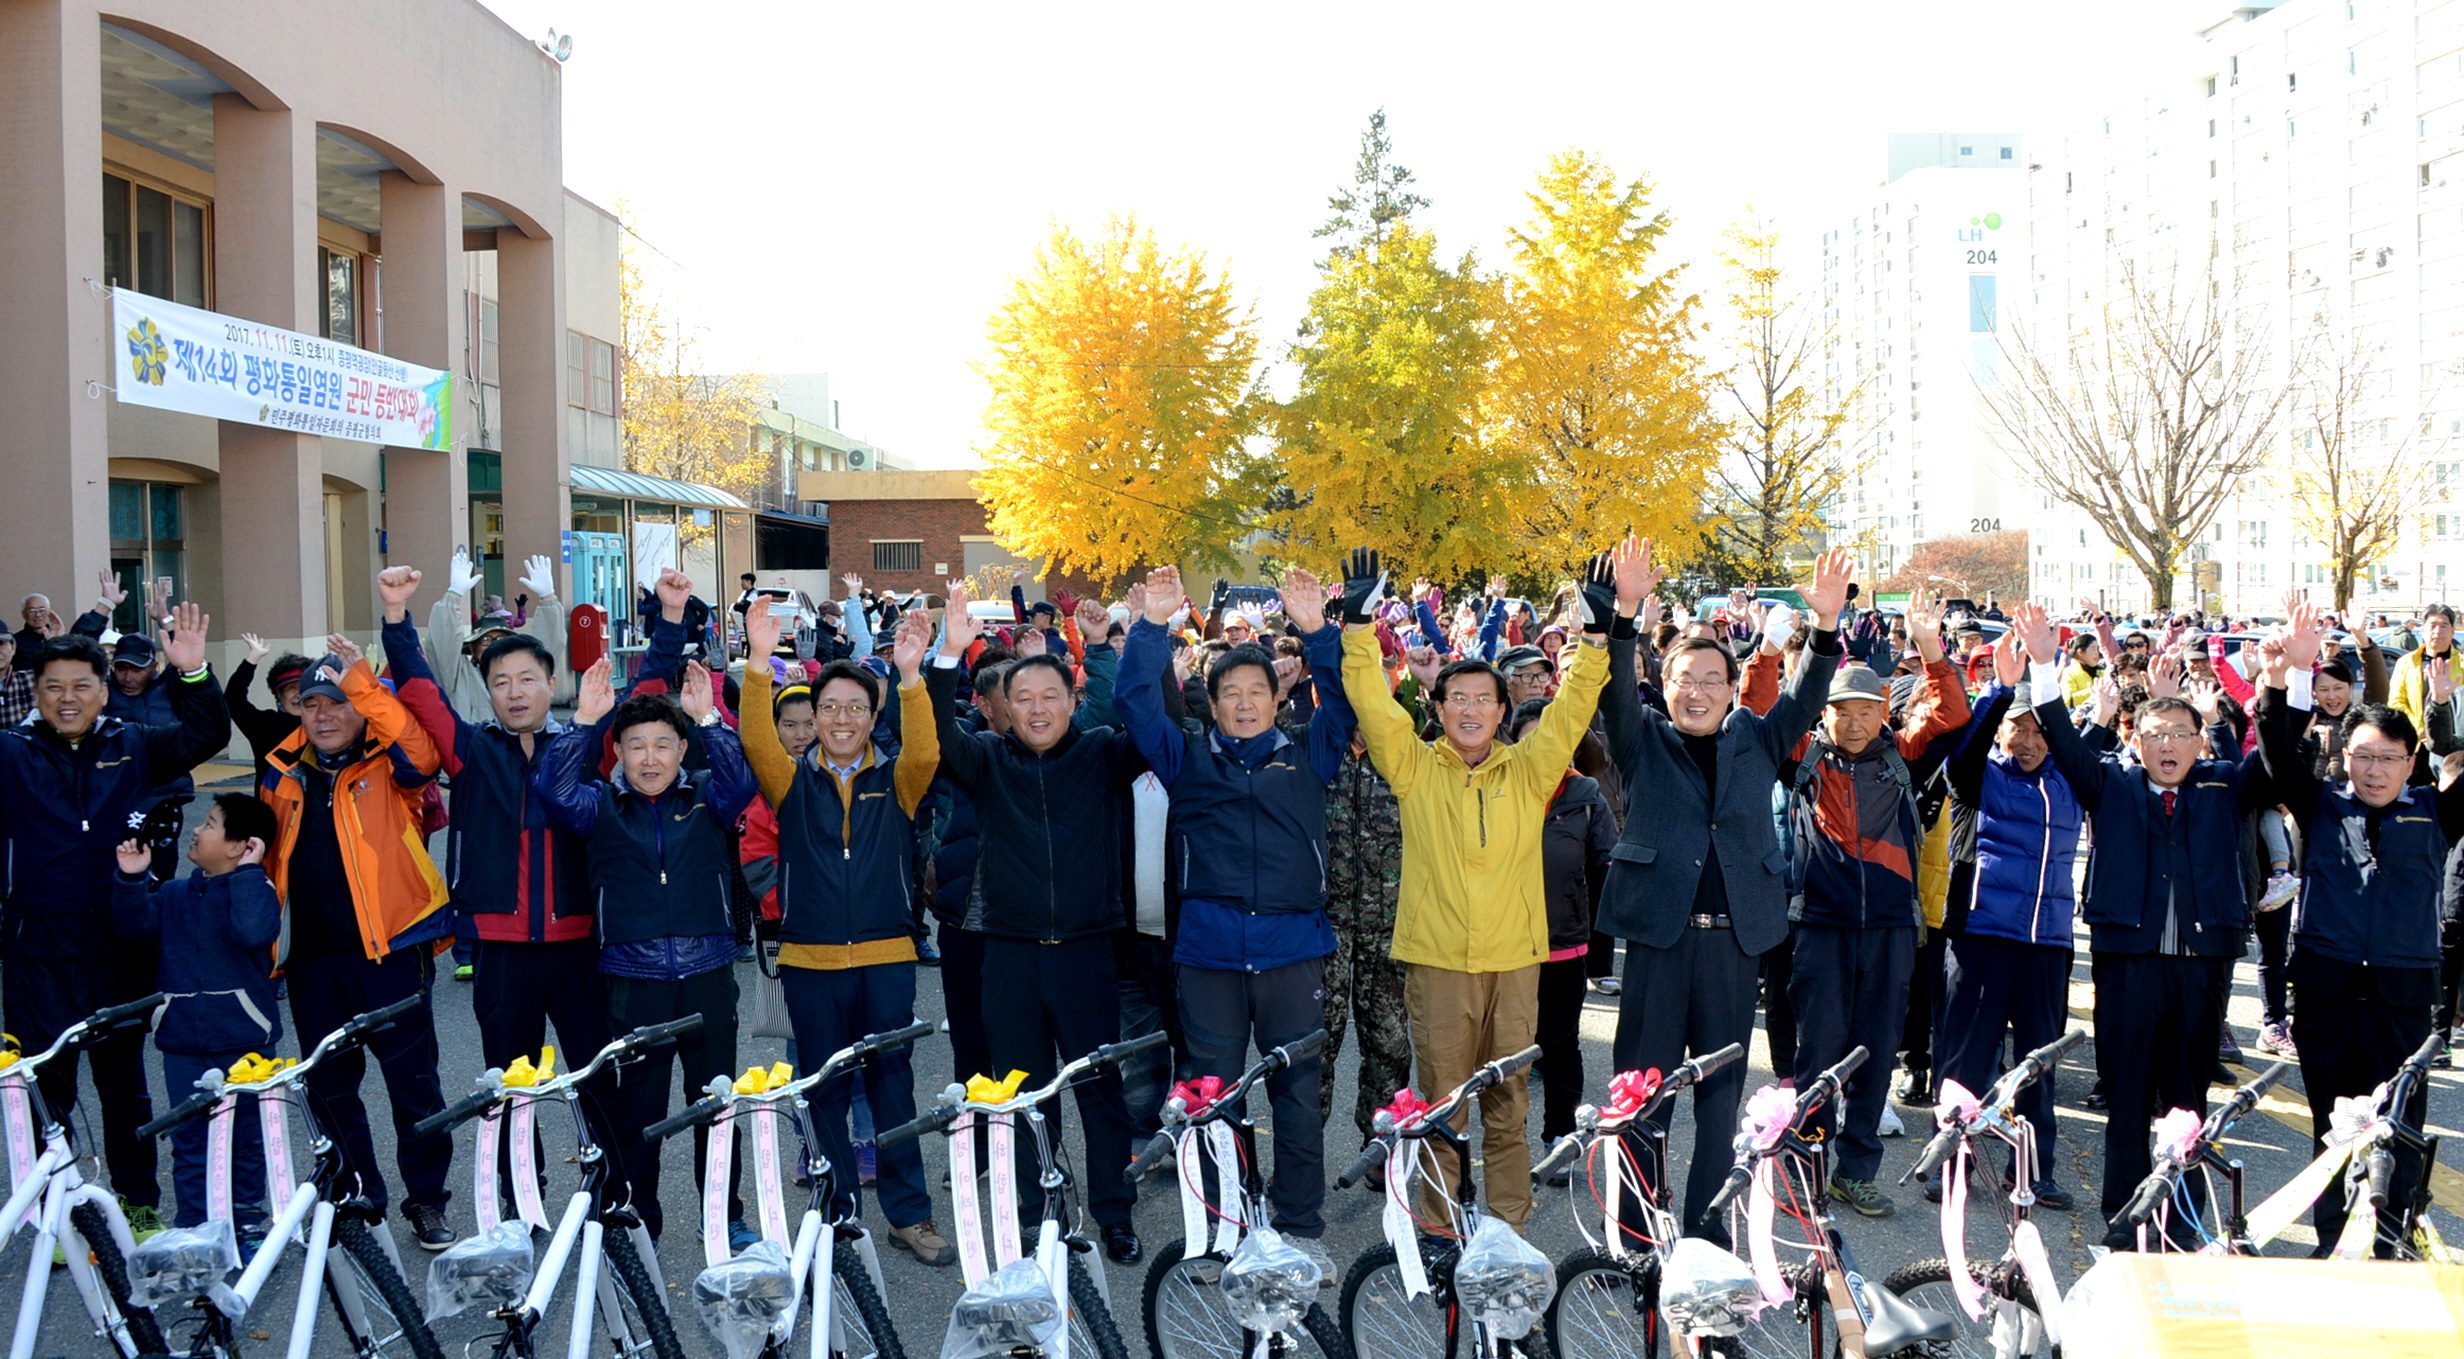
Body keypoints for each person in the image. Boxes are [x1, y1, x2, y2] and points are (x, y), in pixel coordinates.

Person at [1340, 541, 1622, 1228]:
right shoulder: (1414, 767)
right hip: (1437, 962)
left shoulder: (1529, 769)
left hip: (1514, 964)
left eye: (1484, 700)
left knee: (1509, 1102)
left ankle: (1507, 1228)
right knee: (1442, 1102)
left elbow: (1573, 705)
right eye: (1457, 699)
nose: (1471, 710)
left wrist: (1597, 635)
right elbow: (1375, 707)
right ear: (1437, 708)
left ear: (1502, 710)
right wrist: (1355, 628)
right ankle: (1439, 1228)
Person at [1599, 549, 1850, 1241]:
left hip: (1732, 948)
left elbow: (1803, 696)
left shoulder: (1755, 737)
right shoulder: (1641, 738)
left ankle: (1708, 1237)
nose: (1699, 690)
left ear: (1733, 686)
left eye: (1714, 678)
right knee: (1641, 1097)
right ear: (1667, 682)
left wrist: (1825, 624)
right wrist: (1624, 615)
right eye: (1686, 678)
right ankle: (1638, 1235)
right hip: (1659, 940)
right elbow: (1615, 688)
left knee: (1720, 1108)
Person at [1117, 564, 1352, 1243]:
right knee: (1215, 1100)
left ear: (1278, 696)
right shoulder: (1186, 757)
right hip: (1209, 956)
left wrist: (1317, 632)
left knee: (1299, 1105)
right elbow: (1135, 702)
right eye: (1231, 692)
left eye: (1257, 690)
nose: (1245, 703)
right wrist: (1152, 626)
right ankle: (1226, 1221)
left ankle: (1299, 1227)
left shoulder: (1309, 754)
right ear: (1211, 701)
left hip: (1293, 954)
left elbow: (1343, 704)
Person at [2016, 606, 2263, 1247]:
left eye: (2180, 734)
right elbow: (2066, 746)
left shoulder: (2220, 788)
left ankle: (2181, 1220)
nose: (2167, 746)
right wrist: (2045, 665)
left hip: (2201, 966)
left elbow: (2275, 764)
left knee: (2188, 1102)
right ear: (2137, 741)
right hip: (2129, 963)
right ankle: (2124, 1222)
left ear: (2199, 741)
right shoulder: (2113, 787)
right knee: (2127, 1099)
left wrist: (2278, 683)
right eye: (2154, 734)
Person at [925, 583, 1149, 1264]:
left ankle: (1115, 1211)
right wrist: (947, 655)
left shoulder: (1102, 754)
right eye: (1022, 699)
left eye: (1050, 695)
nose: (1038, 708)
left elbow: (1146, 723)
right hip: (1013, 955)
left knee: (1099, 1091)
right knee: (1021, 1093)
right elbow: (937, 736)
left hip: (1086, 952)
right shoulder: (987, 761)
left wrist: (1120, 643)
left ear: (1072, 701)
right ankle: (1038, 1207)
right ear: (1003, 710)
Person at [737, 598, 957, 1267]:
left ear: (871, 715)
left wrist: (912, 677)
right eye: (828, 707)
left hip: (887, 957)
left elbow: (926, 748)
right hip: (809, 960)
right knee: (824, 1090)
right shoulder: (788, 782)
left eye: (854, 707)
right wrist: (755, 662)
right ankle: (836, 1211)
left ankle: (910, 1215)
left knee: (892, 1088)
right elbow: (754, 739)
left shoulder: (899, 780)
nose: (839, 719)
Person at [0, 605, 228, 1242]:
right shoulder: (11, 752)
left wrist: (192, 674)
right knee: (46, 1083)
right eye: (53, 687)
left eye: (81, 686)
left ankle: (135, 1204)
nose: (67, 699)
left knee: (123, 1085)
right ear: (35, 693)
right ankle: (56, 1211)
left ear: (103, 691)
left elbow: (204, 734)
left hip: (119, 933)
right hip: (35, 940)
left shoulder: (131, 743)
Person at [378, 563, 613, 1157]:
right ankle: (516, 1206)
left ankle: (613, 1204)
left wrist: (666, 621)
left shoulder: (584, 745)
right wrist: (396, 617)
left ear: (550, 681)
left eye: (527, 678)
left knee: (598, 1080)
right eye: (501, 680)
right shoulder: (470, 751)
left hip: (580, 942)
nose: (514, 691)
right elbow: (419, 688)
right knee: (512, 1087)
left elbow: (649, 711)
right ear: (486, 688)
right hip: (499, 946)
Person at [537, 640, 752, 1246]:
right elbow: (552, 791)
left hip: (708, 977)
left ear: (682, 750)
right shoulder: (599, 805)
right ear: (620, 752)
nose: (650, 758)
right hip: (633, 983)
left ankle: (725, 1216)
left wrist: (710, 719)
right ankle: (635, 1215)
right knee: (637, 1114)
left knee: (715, 1106)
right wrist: (583, 723)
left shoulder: (708, 796)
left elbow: (744, 783)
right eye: (637, 746)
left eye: (663, 744)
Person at [2258, 604, 2454, 1253]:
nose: (2374, 770)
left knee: (2399, 1127)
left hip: (2402, 997)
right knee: (2330, 1126)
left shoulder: (2434, 812)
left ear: (2410, 762)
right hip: (2326, 992)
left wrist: (2445, 702)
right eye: (2363, 756)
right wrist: (2288, 673)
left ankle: (2393, 1240)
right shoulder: (2320, 804)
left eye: (2388, 759)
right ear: (2346, 755)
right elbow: (2278, 754)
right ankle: (2334, 1239)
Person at [258, 635, 458, 1248]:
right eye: (311, 704)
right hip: (313, 962)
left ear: (361, 708)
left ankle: (426, 1200)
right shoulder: (278, 771)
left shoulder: (390, 765)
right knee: (330, 1086)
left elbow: (424, 754)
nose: (323, 715)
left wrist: (365, 682)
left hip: (391, 952)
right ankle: (355, 1194)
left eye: (338, 703)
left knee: (413, 1085)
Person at [1778, 590, 1972, 1218]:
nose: (1856, 722)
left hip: (1890, 928)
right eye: (1843, 711)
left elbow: (1952, 714)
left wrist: (1930, 646)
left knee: (1875, 1052)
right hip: (1820, 927)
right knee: (1817, 1053)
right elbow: (1759, 712)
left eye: (1867, 710)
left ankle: (1855, 1170)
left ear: (1881, 713)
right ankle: (1806, 1165)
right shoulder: (1803, 758)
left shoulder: (1903, 758)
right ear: (1824, 716)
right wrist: (1782, 647)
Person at [1928, 624, 2086, 1210]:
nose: (2027, 738)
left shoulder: (2071, 784)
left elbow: (2085, 747)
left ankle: (2036, 1170)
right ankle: (1947, 1162)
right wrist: (2000, 691)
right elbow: (1963, 755)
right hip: (1982, 936)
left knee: (2038, 1060)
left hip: (2046, 941)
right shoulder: (1983, 774)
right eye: (2017, 726)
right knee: (1967, 1055)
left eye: (2037, 728)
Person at [111, 794, 282, 1249]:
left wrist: (248, 872)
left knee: (244, 1142)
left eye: (209, 823)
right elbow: (134, 927)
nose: (196, 829)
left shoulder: (257, 890)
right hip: (183, 1042)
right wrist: (131, 879)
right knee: (188, 1143)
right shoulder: (172, 893)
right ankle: (193, 1226)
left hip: (244, 1042)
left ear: (238, 845)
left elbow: (253, 931)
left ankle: (246, 1225)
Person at [1508, 697, 1616, 1182]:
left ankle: (1559, 1140)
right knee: (1506, 1050)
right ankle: (1505, 1143)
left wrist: (1599, 954)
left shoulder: (1586, 795)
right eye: (1531, 740)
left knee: (1560, 1046)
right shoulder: (1497, 786)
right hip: (1502, 945)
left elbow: (1605, 869)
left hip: (1563, 944)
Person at [428, 549, 568, 719]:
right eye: (486, 639)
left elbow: (551, 645)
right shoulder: (458, 677)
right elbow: (442, 643)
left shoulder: (526, 672)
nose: (495, 644)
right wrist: (453, 595)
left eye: (501, 639)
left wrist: (548, 598)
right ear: (472, 648)